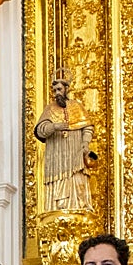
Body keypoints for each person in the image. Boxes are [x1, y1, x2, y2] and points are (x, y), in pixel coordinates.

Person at [34, 77, 95, 212]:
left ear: (67, 89)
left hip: (75, 152)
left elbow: (88, 127)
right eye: (54, 90)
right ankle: (57, 208)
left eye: (59, 89)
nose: (57, 93)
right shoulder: (50, 109)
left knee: (78, 179)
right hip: (57, 156)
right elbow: (40, 130)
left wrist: (85, 142)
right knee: (59, 182)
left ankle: (79, 207)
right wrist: (54, 126)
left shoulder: (77, 106)